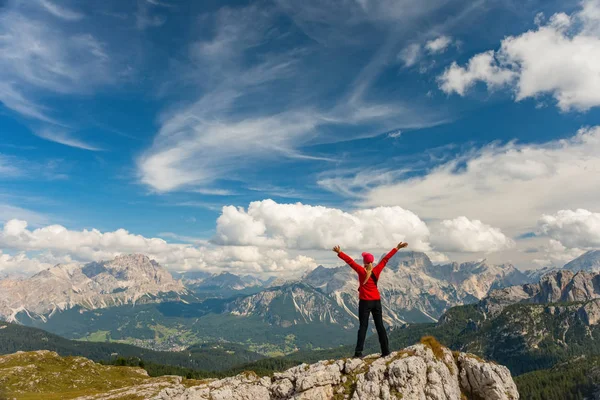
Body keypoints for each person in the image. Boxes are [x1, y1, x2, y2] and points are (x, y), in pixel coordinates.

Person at [332, 242, 408, 358]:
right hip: (376, 302)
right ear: (372, 262)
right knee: (380, 327)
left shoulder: (361, 271)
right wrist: (397, 248)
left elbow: (350, 262)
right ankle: (386, 351)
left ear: (364, 262)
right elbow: (385, 259)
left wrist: (339, 253)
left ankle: (358, 353)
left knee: (363, 327)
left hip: (365, 302)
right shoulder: (377, 270)